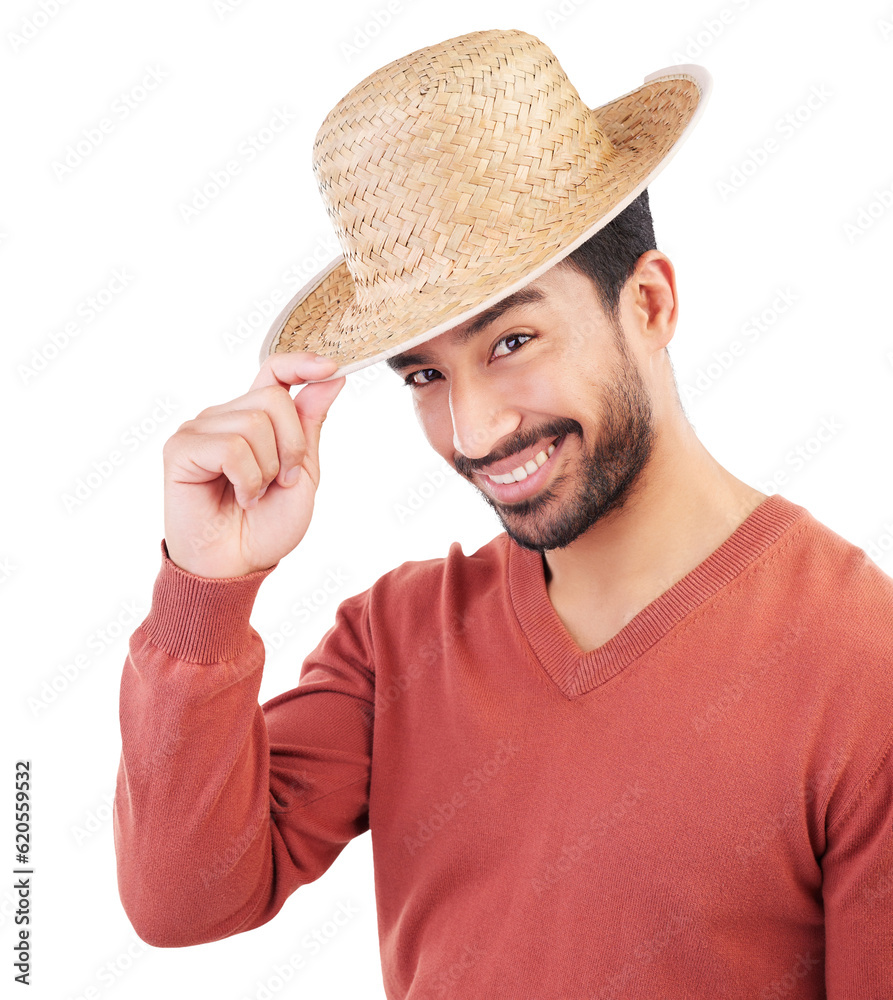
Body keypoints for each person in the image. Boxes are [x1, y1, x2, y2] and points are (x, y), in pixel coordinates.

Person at [113, 28, 893, 999]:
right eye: (424, 374)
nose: (472, 429)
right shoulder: (394, 640)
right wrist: (207, 583)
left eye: (512, 339)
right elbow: (181, 899)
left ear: (646, 304)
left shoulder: (863, 663)